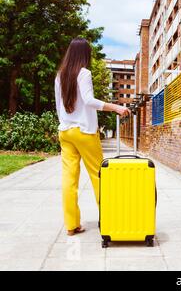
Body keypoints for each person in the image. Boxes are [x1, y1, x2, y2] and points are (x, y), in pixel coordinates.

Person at [55, 37, 130, 236]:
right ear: (85, 54)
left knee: (68, 180)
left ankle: (71, 225)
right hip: (85, 132)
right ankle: (109, 219)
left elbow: (58, 107)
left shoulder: (59, 76)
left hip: (65, 132)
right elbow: (88, 100)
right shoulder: (84, 73)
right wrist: (115, 107)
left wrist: (65, 122)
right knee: (99, 175)